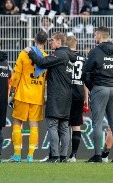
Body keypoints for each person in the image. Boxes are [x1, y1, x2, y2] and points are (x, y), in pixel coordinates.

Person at [25, 32, 74, 163]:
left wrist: (30, 52)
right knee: (64, 127)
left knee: (52, 125)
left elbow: (41, 62)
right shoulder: (71, 55)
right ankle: (63, 156)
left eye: (52, 40)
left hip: (56, 95)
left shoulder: (59, 54)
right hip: (67, 94)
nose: (49, 42)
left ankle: (54, 156)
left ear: (59, 42)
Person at [83, 26, 113, 163]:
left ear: (99, 35)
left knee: (97, 123)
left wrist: (92, 87)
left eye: (95, 35)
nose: (94, 37)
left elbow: (86, 72)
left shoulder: (95, 52)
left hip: (100, 88)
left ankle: (97, 156)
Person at [7, 31, 48, 163]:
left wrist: (12, 92)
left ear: (34, 40)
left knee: (17, 123)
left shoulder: (24, 54)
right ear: (46, 42)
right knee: (34, 125)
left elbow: (16, 75)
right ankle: (30, 156)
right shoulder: (46, 57)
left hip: (22, 95)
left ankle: (17, 155)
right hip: (37, 96)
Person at [66, 35, 89, 162]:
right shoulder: (84, 60)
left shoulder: (65, 56)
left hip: (66, 94)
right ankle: (74, 155)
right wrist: (86, 97)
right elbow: (86, 81)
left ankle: (60, 154)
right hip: (79, 94)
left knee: (62, 124)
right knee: (76, 125)